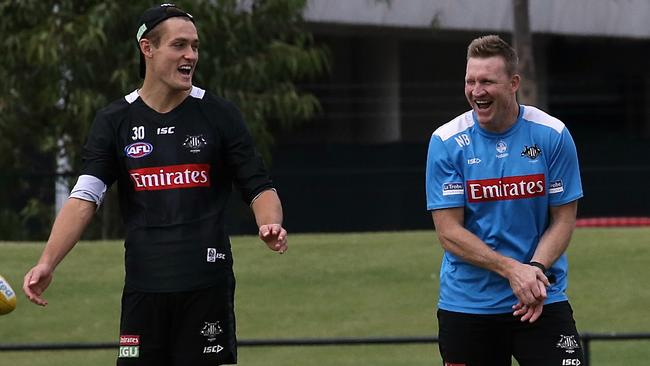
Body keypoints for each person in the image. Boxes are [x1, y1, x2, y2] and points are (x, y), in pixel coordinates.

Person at [23, 4, 287, 365]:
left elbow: (259, 186)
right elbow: (84, 198)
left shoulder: (219, 114)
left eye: (195, 46)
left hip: (206, 285)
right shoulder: (114, 120)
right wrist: (47, 263)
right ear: (147, 48)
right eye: (179, 45)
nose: (190, 55)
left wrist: (269, 222)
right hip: (144, 288)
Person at [425, 35, 585, 366]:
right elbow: (448, 231)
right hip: (469, 305)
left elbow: (563, 218)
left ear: (514, 83)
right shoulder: (446, 141)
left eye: (487, 81)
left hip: (541, 296)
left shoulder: (552, 135)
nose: (476, 91)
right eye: (470, 81)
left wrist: (535, 271)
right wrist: (513, 270)